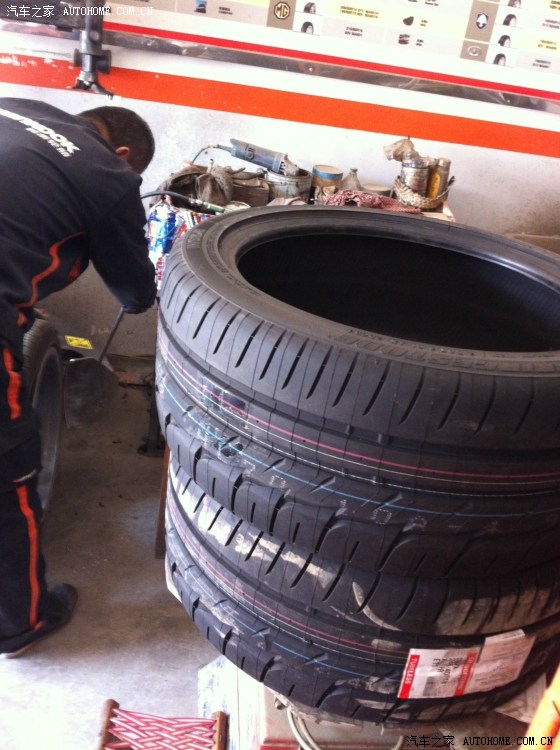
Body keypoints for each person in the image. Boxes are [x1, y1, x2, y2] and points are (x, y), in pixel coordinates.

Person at [0, 98, 157, 657]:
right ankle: (18, 624)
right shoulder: (110, 173)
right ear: (123, 154)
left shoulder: (15, 106)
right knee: (8, 475)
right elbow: (134, 291)